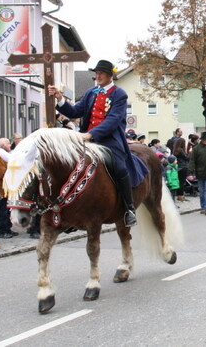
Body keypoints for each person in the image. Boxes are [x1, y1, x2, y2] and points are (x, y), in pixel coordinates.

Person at [48, 59, 146, 227]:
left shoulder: (119, 94)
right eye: (96, 73)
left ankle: (129, 208)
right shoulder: (90, 92)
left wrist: (90, 134)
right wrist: (60, 98)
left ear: (109, 75)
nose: (97, 76)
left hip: (110, 140)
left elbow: (114, 120)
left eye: (100, 73)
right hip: (87, 139)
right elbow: (74, 111)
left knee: (119, 167)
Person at [0, 138, 17, 239]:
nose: (10, 145)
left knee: (9, 209)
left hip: (9, 186)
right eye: (7, 143)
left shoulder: (6, 156)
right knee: (3, 209)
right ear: (2, 146)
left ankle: (8, 228)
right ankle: (2, 230)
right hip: (2, 187)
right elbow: (2, 173)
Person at [173, 138, 189, 202]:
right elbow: (186, 158)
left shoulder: (175, 150)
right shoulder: (181, 150)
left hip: (178, 167)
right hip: (183, 167)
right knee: (182, 182)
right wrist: (190, 153)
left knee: (179, 181)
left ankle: (178, 195)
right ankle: (181, 195)